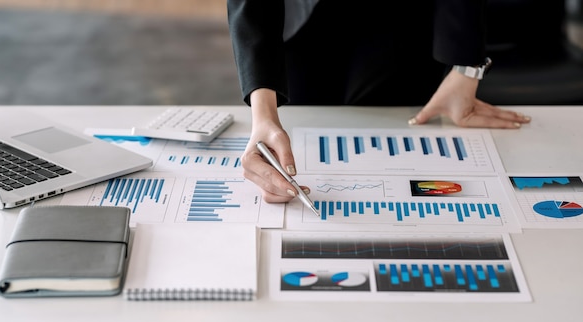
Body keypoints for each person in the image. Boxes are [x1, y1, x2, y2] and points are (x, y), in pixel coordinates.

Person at [227, 0, 531, 204]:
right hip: (301, 18)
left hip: (403, 18)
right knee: (307, 126)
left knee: (399, 141)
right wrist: (264, 113)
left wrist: (465, 67)